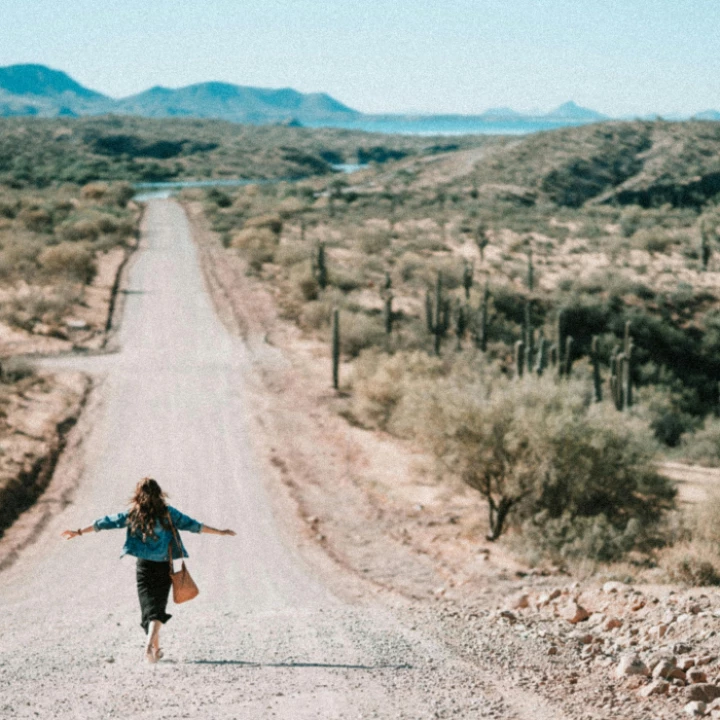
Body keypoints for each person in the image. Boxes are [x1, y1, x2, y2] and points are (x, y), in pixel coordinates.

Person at [61, 477, 236, 663]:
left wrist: (78, 532)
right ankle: (152, 648)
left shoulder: (133, 515)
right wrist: (220, 531)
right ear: (159, 494)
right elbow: (194, 526)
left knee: (148, 610)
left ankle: (153, 649)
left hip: (143, 567)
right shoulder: (169, 514)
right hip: (163, 567)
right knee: (157, 609)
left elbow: (104, 523)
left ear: (138, 495)